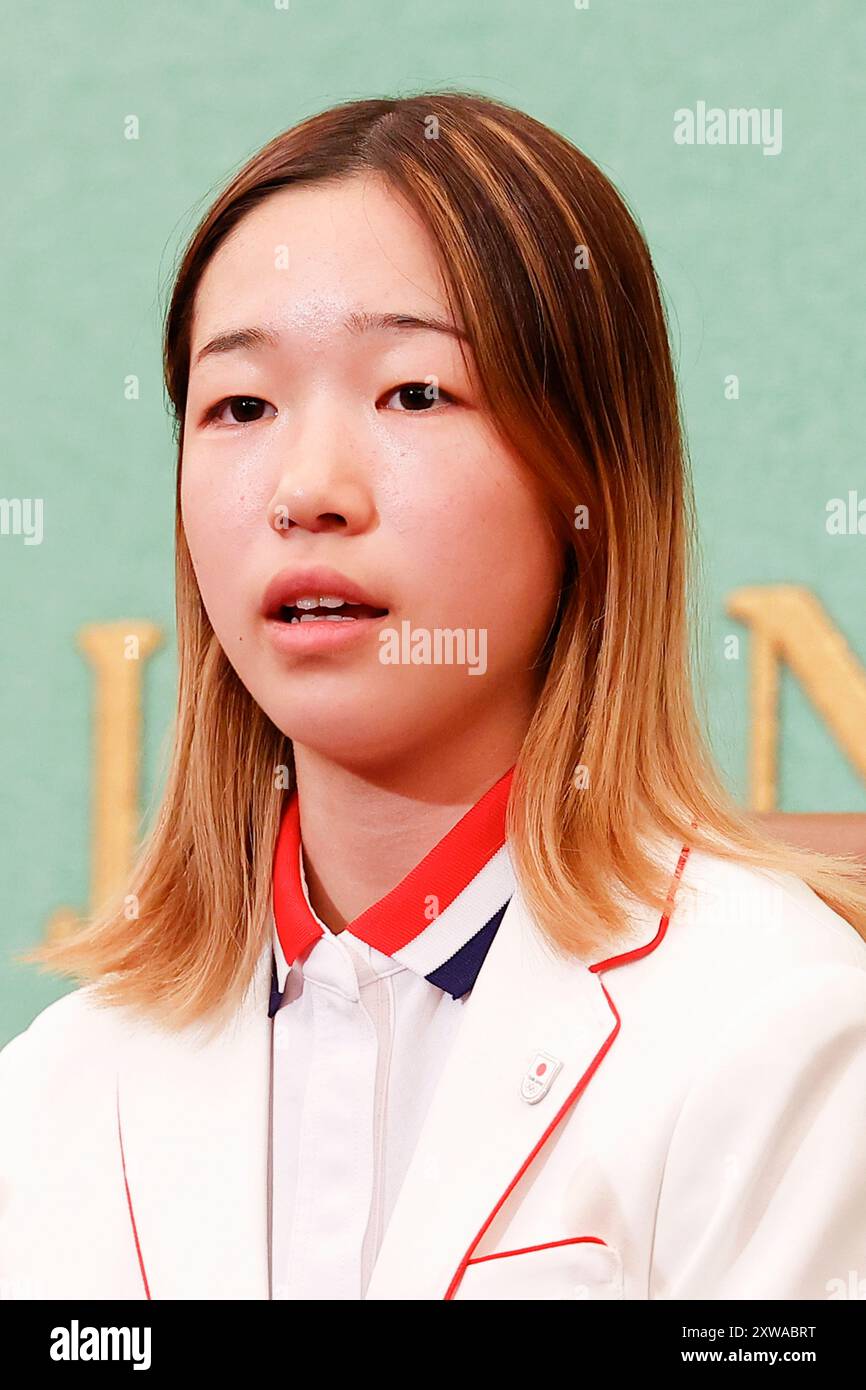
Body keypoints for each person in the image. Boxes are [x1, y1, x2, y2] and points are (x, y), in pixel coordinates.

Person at [2, 89, 866, 1302]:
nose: (306, 489)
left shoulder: (781, 1026)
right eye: (239, 405)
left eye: (413, 393)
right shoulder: (51, 1101)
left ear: (592, 485)